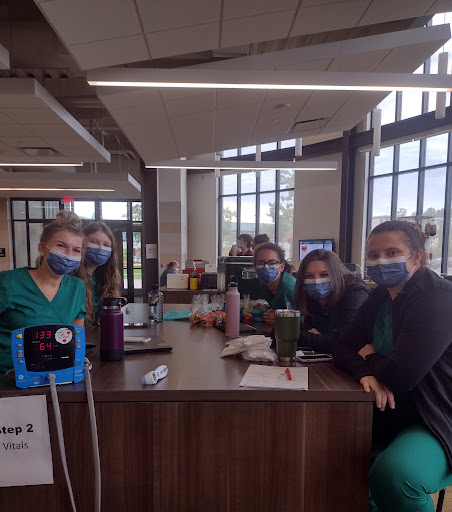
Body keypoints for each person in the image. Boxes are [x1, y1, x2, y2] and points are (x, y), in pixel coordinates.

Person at [333, 220, 452, 512]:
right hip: (391, 409)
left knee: (394, 476)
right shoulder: (380, 295)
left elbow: (400, 377)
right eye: (373, 255)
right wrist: (364, 371)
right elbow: (341, 346)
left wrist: (370, 356)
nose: (380, 261)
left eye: (392, 252)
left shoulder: (438, 298)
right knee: (326, 447)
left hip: (436, 416)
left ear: (417, 257)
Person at [0, 210, 87, 376]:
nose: (69, 254)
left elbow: (76, 342)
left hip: (58, 376)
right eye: (61, 245)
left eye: (76, 250)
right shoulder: (8, 283)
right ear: (42, 248)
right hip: (8, 379)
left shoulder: (77, 287)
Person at [294, 249, 369, 353]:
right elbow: (310, 331)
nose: (316, 281)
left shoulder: (356, 294)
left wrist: (299, 337)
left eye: (324, 274)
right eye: (308, 276)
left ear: (337, 274)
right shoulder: (309, 296)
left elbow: (344, 343)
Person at [77, 222, 121, 322]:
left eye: (106, 245)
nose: (101, 248)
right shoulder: (72, 278)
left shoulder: (104, 278)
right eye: (94, 242)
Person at [253, 243, 296, 325]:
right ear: (255, 267)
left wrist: (280, 319)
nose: (266, 267)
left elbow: (306, 320)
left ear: (281, 266)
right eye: (260, 263)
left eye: (272, 263)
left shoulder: (290, 288)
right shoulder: (265, 285)